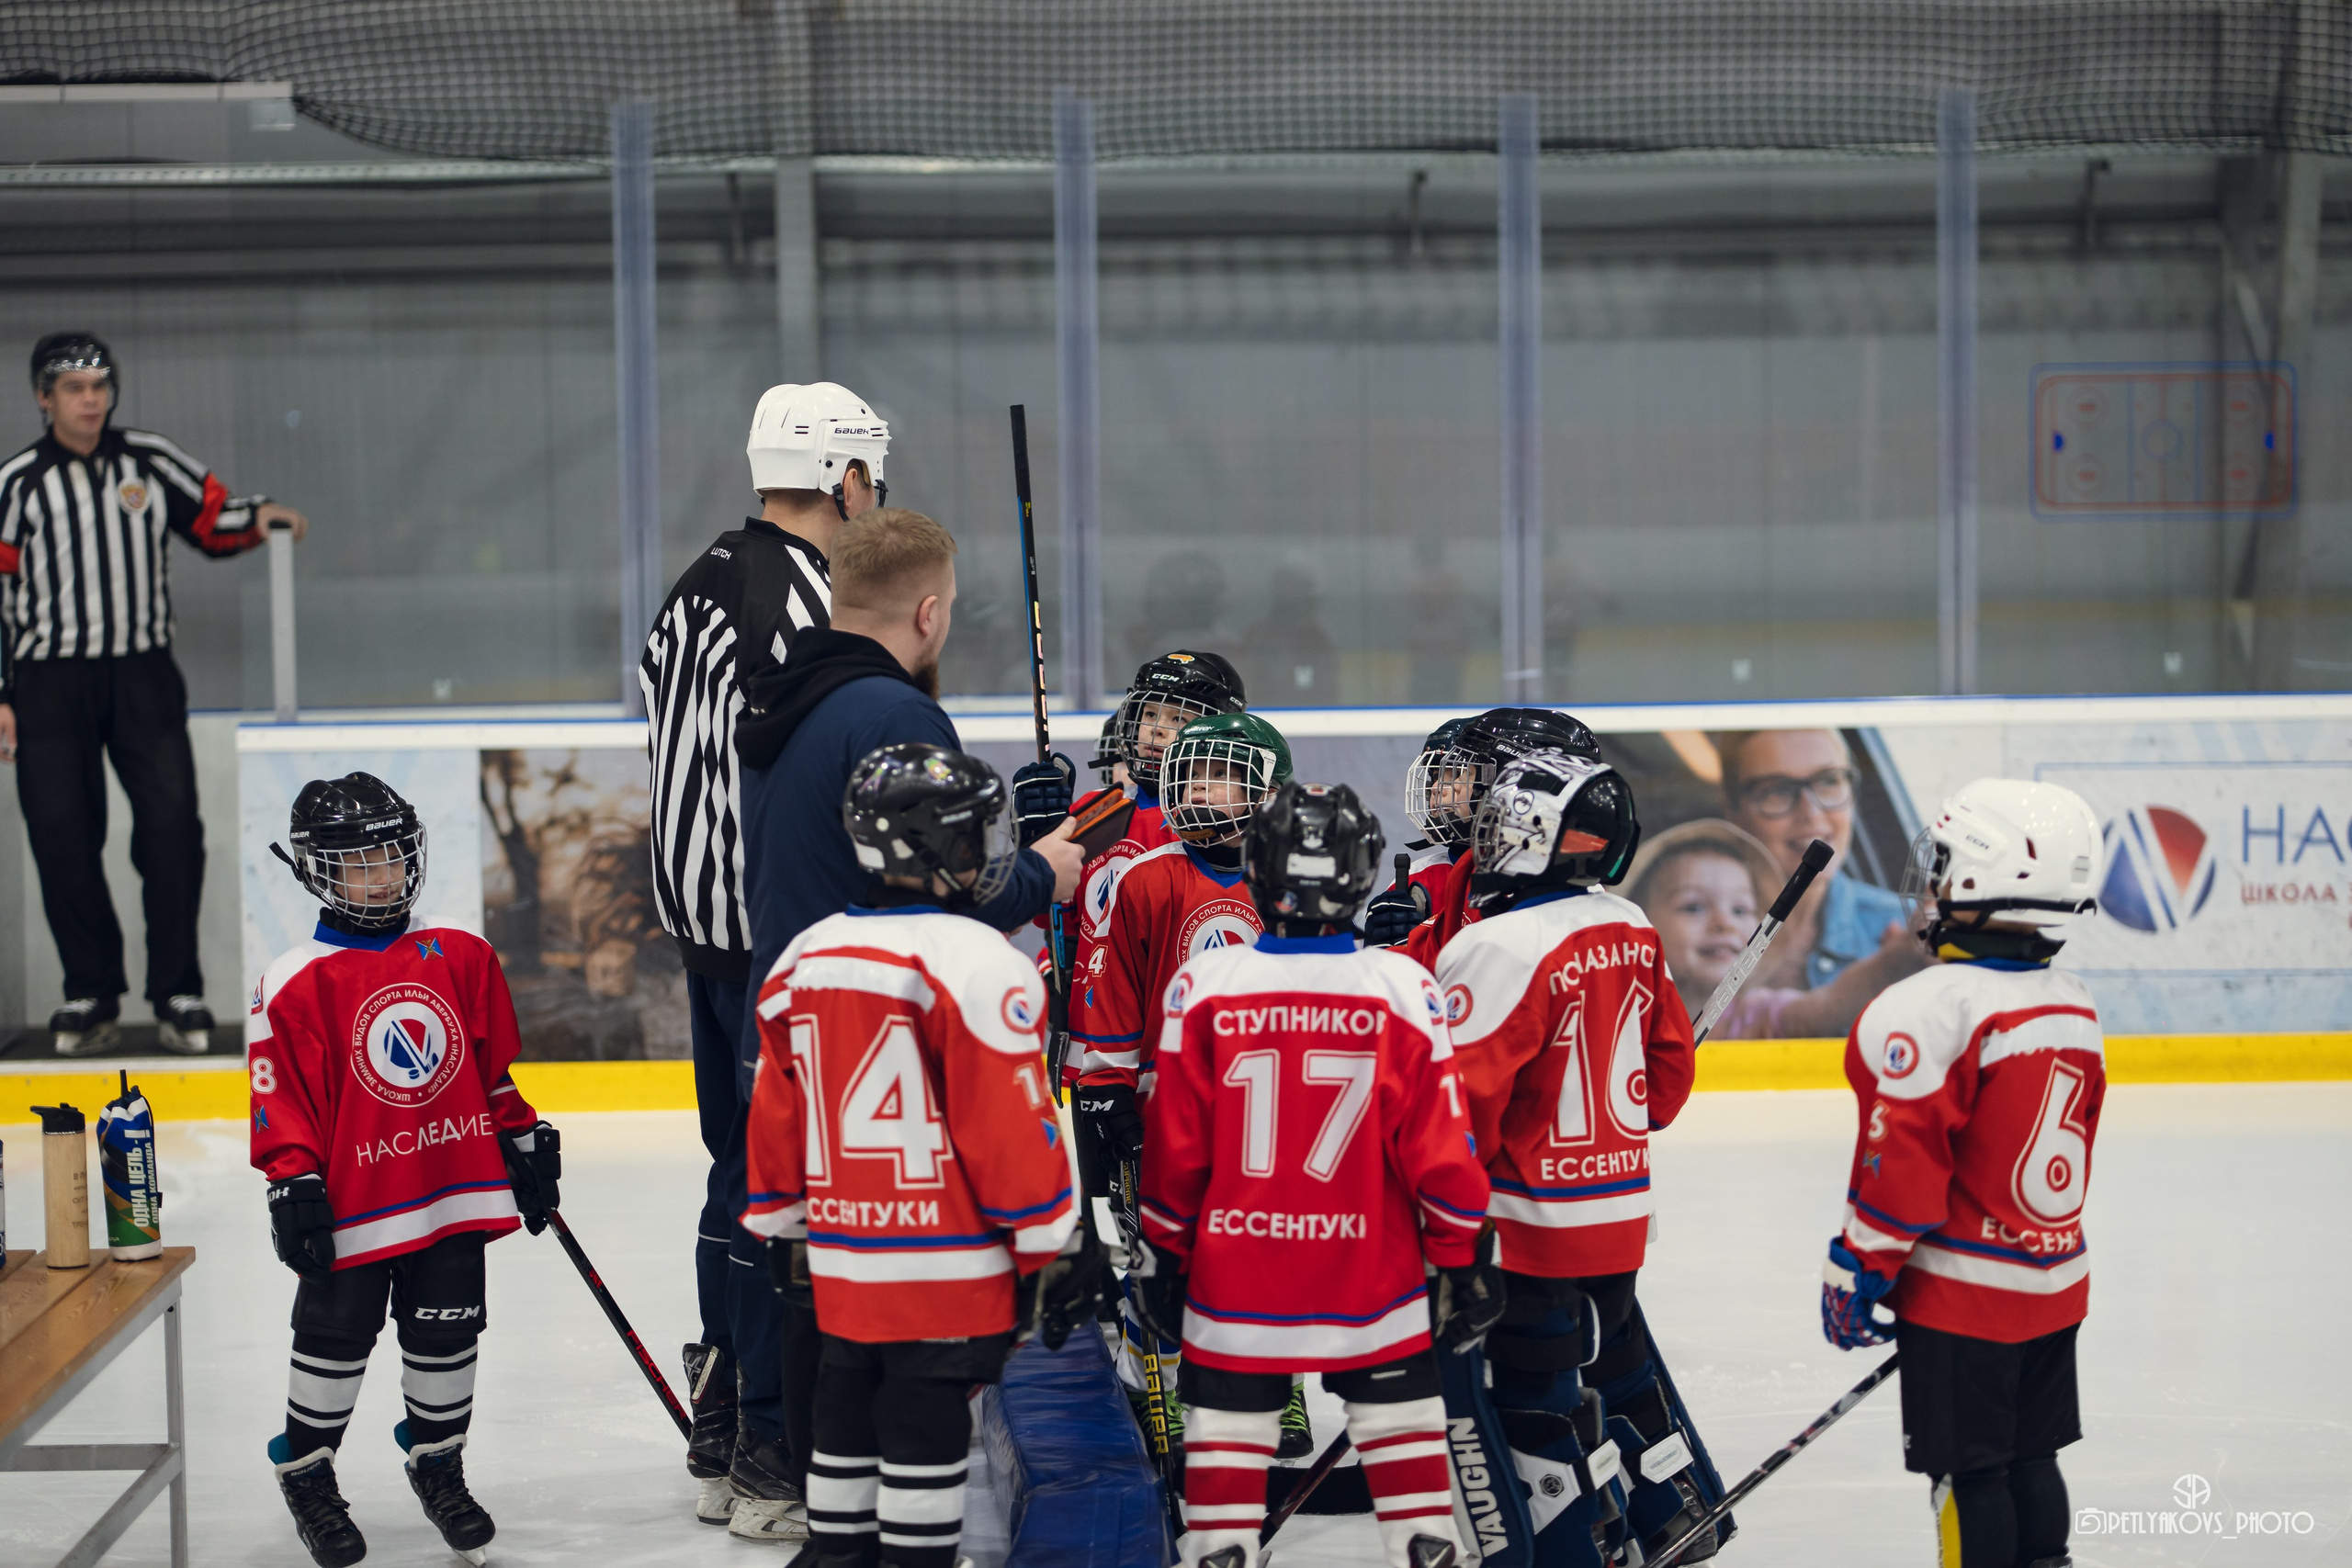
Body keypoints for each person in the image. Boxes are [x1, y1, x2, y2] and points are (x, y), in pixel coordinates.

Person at [733, 505, 1082, 1538]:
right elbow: (947, 884)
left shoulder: (785, 696)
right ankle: (895, 1529)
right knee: (903, 1335)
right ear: (928, 611)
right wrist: (1039, 871)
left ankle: (818, 1508)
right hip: (891, 1027)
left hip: (805, 1008)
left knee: (817, 1290)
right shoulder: (890, 712)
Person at [741, 743, 1104, 1568]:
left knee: (844, 1409)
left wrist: (786, 1224)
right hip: (948, 1266)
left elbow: (777, 1110)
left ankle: (841, 1556)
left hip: (841, 1255)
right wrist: (1054, 1243)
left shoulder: (808, 953)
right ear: (953, 846)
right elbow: (1005, 1126)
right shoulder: (979, 959)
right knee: (925, 1424)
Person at [638, 380, 890, 1531]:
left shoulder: (693, 582)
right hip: (770, 937)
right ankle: (769, 1453)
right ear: (845, 477)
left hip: (698, 928)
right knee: (773, 1188)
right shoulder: (805, 596)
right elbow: (812, 765)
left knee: (730, 1174)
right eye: (871, 480)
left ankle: (722, 1419)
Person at [1135, 779, 1499, 1568]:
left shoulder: (1204, 986)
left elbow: (1175, 1149)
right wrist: (1463, 1249)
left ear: (1260, 871)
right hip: (1375, 1277)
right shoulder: (1402, 985)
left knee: (1220, 1520)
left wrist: (1163, 1248)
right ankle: (1420, 1545)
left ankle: (1221, 1550)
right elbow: (1440, 1147)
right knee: (1420, 1517)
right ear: (1362, 871)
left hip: (1237, 1279)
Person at [247, 773, 560, 1568]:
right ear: (318, 869)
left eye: (392, 855)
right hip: (356, 1196)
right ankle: (309, 1473)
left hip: (453, 1185)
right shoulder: (294, 979)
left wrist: (522, 1139)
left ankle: (439, 1465)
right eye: (361, 861)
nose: (383, 873)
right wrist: (294, 1182)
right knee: (334, 1334)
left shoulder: (459, 950)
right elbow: (281, 1100)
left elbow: (490, 1072)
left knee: (447, 1333)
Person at [1434, 749, 1723, 1562]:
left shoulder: (1494, 946)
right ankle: (1661, 1501)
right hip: (1620, 1217)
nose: (1487, 841)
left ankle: (1576, 1539)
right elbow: (1663, 1092)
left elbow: (1463, 1114)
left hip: (1526, 1228)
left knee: (1532, 1390)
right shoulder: (1630, 924)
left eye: (1502, 826)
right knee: (1608, 1356)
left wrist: (1435, 1220)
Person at [1823, 778, 2107, 1568]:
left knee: (1969, 1473)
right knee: (2031, 1454)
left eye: (1946, 865)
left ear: (1984, 881)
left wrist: (1858, 1267)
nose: (1935, 881)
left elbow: (1901, 1175)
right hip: (2053, 1280)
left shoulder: (1924, 1008)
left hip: (1962, 1294)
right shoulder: (2073, 1001)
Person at [2, 331, 309, 1057]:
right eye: (73, 388)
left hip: (142, 676)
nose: (90, 400)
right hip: (48, 684)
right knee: (63, 836)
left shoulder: (147, 459)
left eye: (100, 386)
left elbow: (212, 519)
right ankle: (91, 992)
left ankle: (178, 990)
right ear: (44, 398)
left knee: (172, 831)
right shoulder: (16, 483)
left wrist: (262, 517)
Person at [1069, 710, 1293, 1445]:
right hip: (1167, 1111)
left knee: (1262, 1253)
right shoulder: (1145, 879)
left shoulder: (1290, 884)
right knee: (1155, 1254)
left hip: (1262, 1113)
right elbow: (1117, 991)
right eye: (1191, 772)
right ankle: (1150, 1378)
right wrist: (1108, 1092)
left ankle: (1272, 1383)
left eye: (1222, 775)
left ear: (1267, 792)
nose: (1200, 787)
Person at [1623, 818, 1918, 1041]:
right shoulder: (1619, 1016)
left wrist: (1893, 962)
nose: (1724, 923)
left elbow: (1827, 1005)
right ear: (1639, 927)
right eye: (1694, 907)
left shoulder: (1753, 1015)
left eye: (1741, 910)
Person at [1363, 707, 1602, 965]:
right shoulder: (1423, 879)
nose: (1437, 789)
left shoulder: (1575, 891)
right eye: (1435, 776)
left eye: (1456, 773)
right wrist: (1385, 956)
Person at [1716, 728, 1922, 994]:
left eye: (1829, 782)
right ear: (1733, 813)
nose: (1811, 814)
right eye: (1777, 790)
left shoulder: (1906, 931)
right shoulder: (1690, 935)